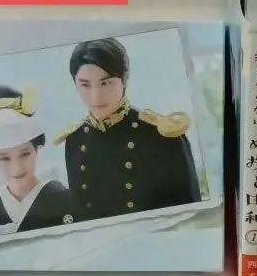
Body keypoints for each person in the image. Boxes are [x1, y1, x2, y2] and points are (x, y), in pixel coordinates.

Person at [54, 38, 201, 221]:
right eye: (85, 85)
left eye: (106, 83)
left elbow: (191, 217)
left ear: (124, 80)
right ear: (75, 84)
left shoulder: (161, 135)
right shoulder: (75, 141)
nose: (96, 97)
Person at [0, 85, 73, 240]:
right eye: (4, 158)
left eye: (25, 154)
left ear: (37, 149)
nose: (16, 168)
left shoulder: (66, 201)